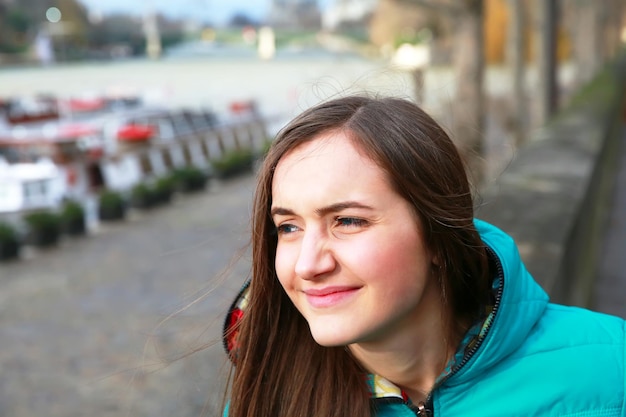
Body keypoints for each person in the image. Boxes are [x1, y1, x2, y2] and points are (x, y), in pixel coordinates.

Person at [222, 95, 625, 417]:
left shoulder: (610, 367)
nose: (308, 265)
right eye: (289, 227)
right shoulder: (264, 398)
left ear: (435, 236)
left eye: (347, 221)